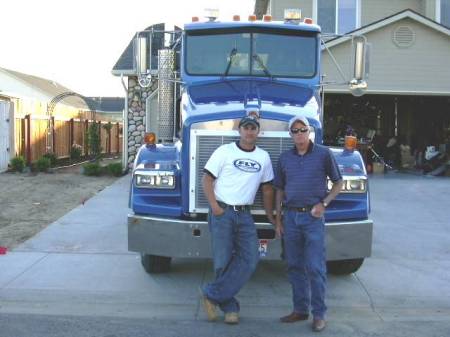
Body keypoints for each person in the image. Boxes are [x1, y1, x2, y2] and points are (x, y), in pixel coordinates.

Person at [200, 114, 275, 324]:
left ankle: (210, 294)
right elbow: (206, 179)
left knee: (251, 257)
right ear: (239, 131)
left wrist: (271, 216)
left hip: (245, 214)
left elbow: (267, 189)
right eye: (246, 128)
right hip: (222, 211)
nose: (249, 132)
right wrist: (215, 207)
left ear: (258, 132)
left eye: (253, 128)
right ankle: (230, 307)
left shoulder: (263, 157)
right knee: (222, 261)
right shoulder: (224, 151)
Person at [274, 115, 343, 332]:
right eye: (294, 131)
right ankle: (300, 310)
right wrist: (278, 219)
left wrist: (324, 204)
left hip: (313, 218)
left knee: (315, 267)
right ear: (290, 135)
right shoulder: (285, 158)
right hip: (290, 218)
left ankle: (319, 314)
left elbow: (338, 182)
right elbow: (279, 189)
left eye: (302, 129)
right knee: (294, 266)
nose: (299, 134)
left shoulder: (324, 154)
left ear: (309, 131)